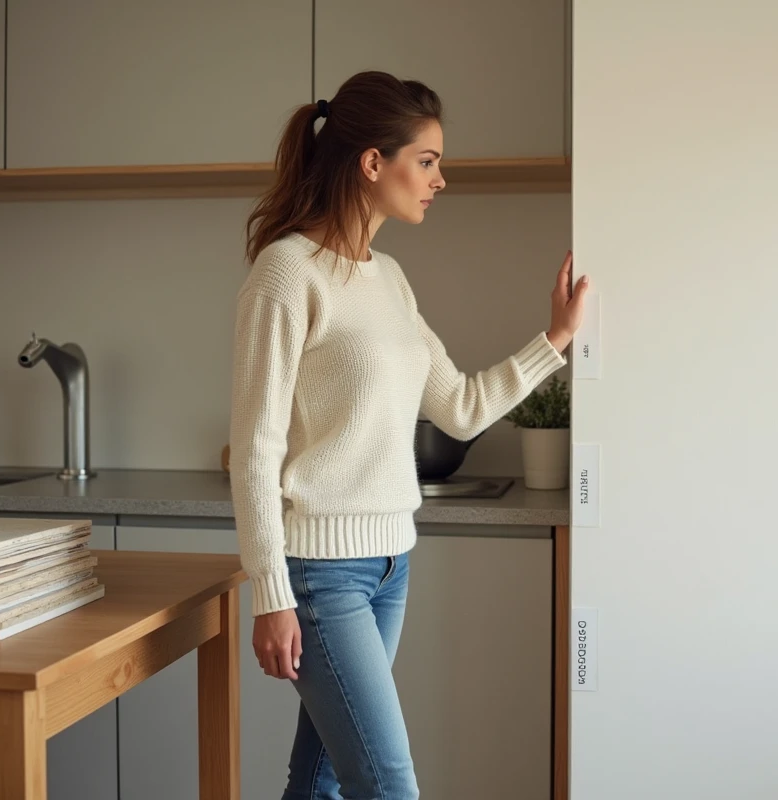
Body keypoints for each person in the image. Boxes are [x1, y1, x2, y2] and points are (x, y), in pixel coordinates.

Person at [228, 70, 589, 799]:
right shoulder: (286, 274)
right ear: (372, 162)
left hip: (391, 564)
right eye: (426, 161)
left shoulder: (389, 278)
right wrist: (269, 592)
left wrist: (554, 340)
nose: (440, 180)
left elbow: (457, 405)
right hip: (322, 576)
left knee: (325, 775)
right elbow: (256, 446)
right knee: (388, 783)